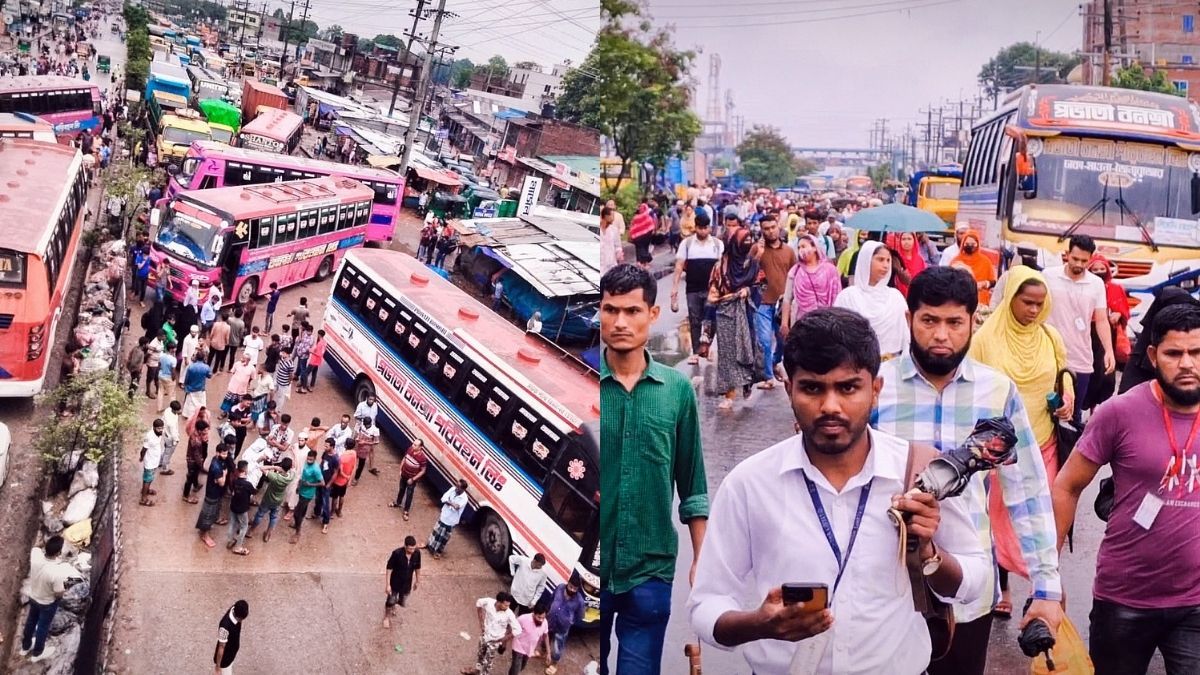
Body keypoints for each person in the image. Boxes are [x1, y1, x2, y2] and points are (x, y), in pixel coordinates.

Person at [687, 307, 988, 674]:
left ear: (875, 390)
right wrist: (759, 625)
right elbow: (706, 603)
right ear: (789, 389)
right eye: (813, 388)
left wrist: (928, 552)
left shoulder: (917, 475)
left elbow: (975, 580)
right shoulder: (750, 483)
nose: (830, 406)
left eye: (848, 387)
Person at [872, 266, 1064, 675]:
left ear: (973, 322)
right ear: (909, 320)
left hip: (968, 590)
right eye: (929, 321)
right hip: (883, 585)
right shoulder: (875, 386)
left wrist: (1045, 586)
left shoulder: (998, 391)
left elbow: (1027, 492)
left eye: (954, 322)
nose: (942, 335)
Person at [1053, 303, 1200, 674]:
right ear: (1152, 356)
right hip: (1124, 599)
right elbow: (1067, 486)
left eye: (1197, 352)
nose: (1186, 363)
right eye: (1174, 353)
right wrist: (1047, 575)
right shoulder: (1119, 413)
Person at [600, 264, 708, 674]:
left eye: (632, 311)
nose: (621, 322)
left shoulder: (676, 392)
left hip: (649, 570)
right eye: (611, 310)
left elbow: (693, 485)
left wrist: (702, 561)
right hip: (593, 566)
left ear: (653, 314)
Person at [967, 266, 1073, 618]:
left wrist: (1067, 394)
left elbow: (1063, 372)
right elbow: (972, 389)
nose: (1033, 310)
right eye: (1027, 302)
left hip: (1043, 440)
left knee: (1040, 513)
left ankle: (1040, 588)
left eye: (1040, 304)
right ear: (1011, 299)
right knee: (1000, 518)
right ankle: (1003, 587)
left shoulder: (1050, 337)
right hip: (999, 449)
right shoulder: (985, 340)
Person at [1043, 235, 1116, 423]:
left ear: (1091, 258)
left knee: (1073, 417)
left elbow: (1101, 320)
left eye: (1085, 260)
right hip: (1049, 355)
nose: (1079, 264)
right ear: (1067, 254)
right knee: (1045, 413)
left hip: (1080, 358)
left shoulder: (1096, 284)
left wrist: (1109, 350)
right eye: (1075, 259)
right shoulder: (1048, 276)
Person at [708, 228, 763, 409]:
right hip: (725, 313)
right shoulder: (721, 266)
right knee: (727, 355)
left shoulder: (753, 264)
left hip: (747, 311)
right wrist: (726, 298)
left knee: (747, 349)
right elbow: (713, 292)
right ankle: (729, 392)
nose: (747, 243)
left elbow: (761, 284)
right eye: (743, 240)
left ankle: (747, 382)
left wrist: (748, 290)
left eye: (749, 240)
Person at [833, 241, 909, 359]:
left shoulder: (895, 297)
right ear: (866, 261)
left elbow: (907, 335)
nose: (886, 265)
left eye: (888, 260)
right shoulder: (848, 297)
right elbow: (838, 335)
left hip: (893, 365)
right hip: (857, 365)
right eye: (880, 259)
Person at [1120, 287, 1200, 394]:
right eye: (1173, 353)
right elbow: (1127, 399)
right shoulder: (1141, 356)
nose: (1185, 363)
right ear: (1152, 353)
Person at [670, 212, 722, 365]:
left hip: (711, 289)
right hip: (692, 288)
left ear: (710, 228)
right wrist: (674, 288)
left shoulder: (717, 245)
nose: (703, 231)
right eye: (700, 228)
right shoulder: (686, 244)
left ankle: (707, 346)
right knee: (695, 319)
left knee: (711, 319)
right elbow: (679, 266)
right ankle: (695, 351)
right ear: (695, 228)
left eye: (705, 228)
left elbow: (721, 268)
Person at [752, 213, 796, 390]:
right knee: (764, 340)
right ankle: (768, 377)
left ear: (778, 226)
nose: (770, 232)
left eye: (772, 227)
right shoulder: (756, 249)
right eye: (766, 229)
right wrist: (758, 255)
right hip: (761, 301)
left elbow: (795, 276)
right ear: (761, 231)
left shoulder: (789, 251)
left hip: (782, 305)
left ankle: (775, 362)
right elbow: (747, 270)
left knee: (784, 340)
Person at [1082, 254, 1131, 412]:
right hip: (1085, 333)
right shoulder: (1084, 286)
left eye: (1102, 269)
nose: (1099, 272)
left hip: (1106, 335)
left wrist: (1118, 314)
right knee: (1087, 370)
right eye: (1095, 269)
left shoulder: (1115, 288)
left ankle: (1098, 409)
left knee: (1104, 373)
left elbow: (1123, 309)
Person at [19, 536, 76, 662]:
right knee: (43, 627)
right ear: (58, 553)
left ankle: (25, 647)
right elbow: (59, 594)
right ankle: (38, 653)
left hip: (33, 597)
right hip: (47, 603)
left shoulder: (36, 556)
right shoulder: (56, 572)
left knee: (31, 621)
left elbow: (36, 547)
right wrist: (65, 589)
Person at [781, 233, 842, 340]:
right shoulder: (796, 271)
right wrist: (784, 323)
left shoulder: (830, 270)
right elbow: (787, 298)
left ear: (814, 247)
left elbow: (837, 297)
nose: (800, 250)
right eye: (799, 247)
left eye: (803, 246)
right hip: (801, 322)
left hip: (826, 323)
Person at [463, 592, 523, 675]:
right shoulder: (489, 602)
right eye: (505, 605)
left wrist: (503, 639)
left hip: (495, 641)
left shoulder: (509, 614)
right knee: (480, 654)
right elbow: (478, 603)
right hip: (485, 635)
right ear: (499, 602)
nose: (507, 607)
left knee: (488, 662)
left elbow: (518, 630)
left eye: (508, 605)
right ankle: (477, 670)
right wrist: (481, 623)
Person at [247, 458, 293, 544]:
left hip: (268, 498)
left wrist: (274, 467)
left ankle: (251, 531)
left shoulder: (275, 477)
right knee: (273, 517)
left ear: (281, 465)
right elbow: (294, 469)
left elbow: (262, 468)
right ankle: (268, 534)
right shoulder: (290, 477)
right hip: (279, 500)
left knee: (260, 514)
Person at [195, 438, 229, 548]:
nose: (225, 456)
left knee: (213, 510)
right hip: (212, 493)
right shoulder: (216, 466)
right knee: (208, 514)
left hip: (216, 492)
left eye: (226, 453)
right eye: (223, 454)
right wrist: (224, 474)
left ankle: (211, 523)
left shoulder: (217, 460)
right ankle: (204, 534)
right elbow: (222, 483)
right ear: (217, 453)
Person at [950, 229, 996, 308]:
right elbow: (949, 281)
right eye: (967, 243)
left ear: (977, 244)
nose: (970, 245)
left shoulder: (985, 261)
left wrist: (985, 284)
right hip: (959, 300)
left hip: (981, 302)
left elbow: (993, 282)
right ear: (963, 244)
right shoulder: (956, 261)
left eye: (972, 243)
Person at [546, 576, 587, 665]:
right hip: (550, 620)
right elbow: (552, 598)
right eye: (570, 586)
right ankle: (543, 652)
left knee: (558, 646)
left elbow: (580, 616)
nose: (572, 590)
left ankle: (554, 663)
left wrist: (569, 621)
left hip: (562, 627)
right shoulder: (560, 587)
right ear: (567, 583)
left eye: (575, 589)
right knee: (545, 637)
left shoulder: (579, 601)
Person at [384, 535, 422, 628]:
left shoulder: (417, 553)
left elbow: (418, 567)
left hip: (407, 584)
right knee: (390, 601)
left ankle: (394, 604)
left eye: (414, 548)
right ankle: (386, 617)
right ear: (405, 546)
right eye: (410, 549)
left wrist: (418, 580)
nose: (412, 551)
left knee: (402, 601)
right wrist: (388, 584)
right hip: (395, 583)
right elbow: (389, 568)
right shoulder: (397, 554)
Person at [290, 449, 324, 544]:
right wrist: (298, 486)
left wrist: (310, 484)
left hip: (307, 494)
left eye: (311, 460)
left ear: (315, 459)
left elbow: (322, 483)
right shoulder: (306, 463)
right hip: (302, 490)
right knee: (302, 511)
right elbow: (303, 476)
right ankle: (297, 524)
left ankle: (298, 532)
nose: (309, 461)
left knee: (297, 513)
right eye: (308, 459)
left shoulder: (316, 469)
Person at [508, 601, 552, 675]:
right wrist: (505, 641)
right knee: (516, 670)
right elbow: (513, 628)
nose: (541, 620)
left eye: (543, 617)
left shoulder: (545, 622)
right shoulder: (523, 619)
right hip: (518, 647)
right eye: (539, 617)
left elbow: (546, 635)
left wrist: (548, 653)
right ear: (534, 613)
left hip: (529, 649)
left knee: (521, 667)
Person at [391, 438, 428, 520]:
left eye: (415, 445)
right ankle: (398, 503)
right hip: (404, 474)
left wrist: (413, 479)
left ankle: (406, 511)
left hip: (411, 479)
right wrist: (400, 469)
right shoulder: (410, 449)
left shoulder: (422, 458)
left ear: (420, 447)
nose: (413, 446)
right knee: (401, 489)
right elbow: (404, 458)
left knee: (409, 494)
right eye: (413, 444)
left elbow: (423, 471)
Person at [226, 460, 254, 556]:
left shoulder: (235, 481)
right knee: (244, 526)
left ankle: (230, 540)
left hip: (233, 506)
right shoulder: (248, 484)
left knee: (232, 523)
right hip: (242, 509)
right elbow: (253, 492)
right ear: (245, 470)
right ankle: (238, 547)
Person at [213, 600, 249, 675]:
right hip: (225, 661)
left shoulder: (235, 608)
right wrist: (218, 668)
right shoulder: (224, 627)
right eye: (241, 619)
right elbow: (221, 646)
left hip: (231, 655)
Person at [183, 420, 211, 504]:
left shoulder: (195, 433)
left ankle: (196, 485)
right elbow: (197, 455)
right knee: (190, 478)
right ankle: (185, 496)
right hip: (192, 461)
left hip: (192, 459)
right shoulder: (196, 441)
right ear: (199, 430)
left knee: (195, 473)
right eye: (205, 430)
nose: (206, 432)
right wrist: (200, 464)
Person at [891, 231, 926, 297]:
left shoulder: (920, 259)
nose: (906, 242)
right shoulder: (896, 259)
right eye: (903, 239)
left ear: (914, 241)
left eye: (909, 239)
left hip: (917, 294)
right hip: (898, 295)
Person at [139, 419, 165, 507]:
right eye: (158, 429)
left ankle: (145, 490)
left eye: (162, 428)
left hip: (155, 461)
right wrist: (141, 458)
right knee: (148, 479)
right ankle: (143, 499)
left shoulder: (158, 434)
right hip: (150, 462)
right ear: (154, 428)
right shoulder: (149, 436)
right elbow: (143, 450)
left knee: (149, 478)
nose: (161, 430)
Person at [628, 202, 656, 269]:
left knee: (638, 248)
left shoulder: (636, 217)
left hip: (637, 237)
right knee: (645, 248)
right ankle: (645, 263)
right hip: (646, 236)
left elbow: (632, 226)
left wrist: (631, 234)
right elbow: (652, 226)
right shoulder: (648, 217)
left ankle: (639, 262)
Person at [159, 400, 182, 476]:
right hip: (170, 438)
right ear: (174, 410)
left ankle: (160, 462)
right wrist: (176, 440)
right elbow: (173, 432)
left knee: (166, 450)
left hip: (165, 434)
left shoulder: (167, 410)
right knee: (168, 453)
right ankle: (165, 469)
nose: (179, 411)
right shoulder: (171, 421)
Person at [599, 206, 624, 274]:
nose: (613, 218)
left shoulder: (614, 230)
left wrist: (619, 253)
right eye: (612, 215)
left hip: (611, 265)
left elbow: (618, 245)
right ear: (606, 216)